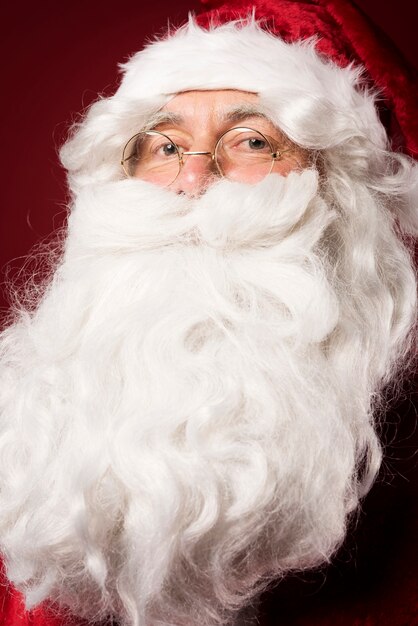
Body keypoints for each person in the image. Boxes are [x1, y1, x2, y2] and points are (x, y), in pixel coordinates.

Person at [0, 1, 417, 625]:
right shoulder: (26, 426)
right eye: (164, 147)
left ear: (337, 192)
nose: (194, 176)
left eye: (251, 142)